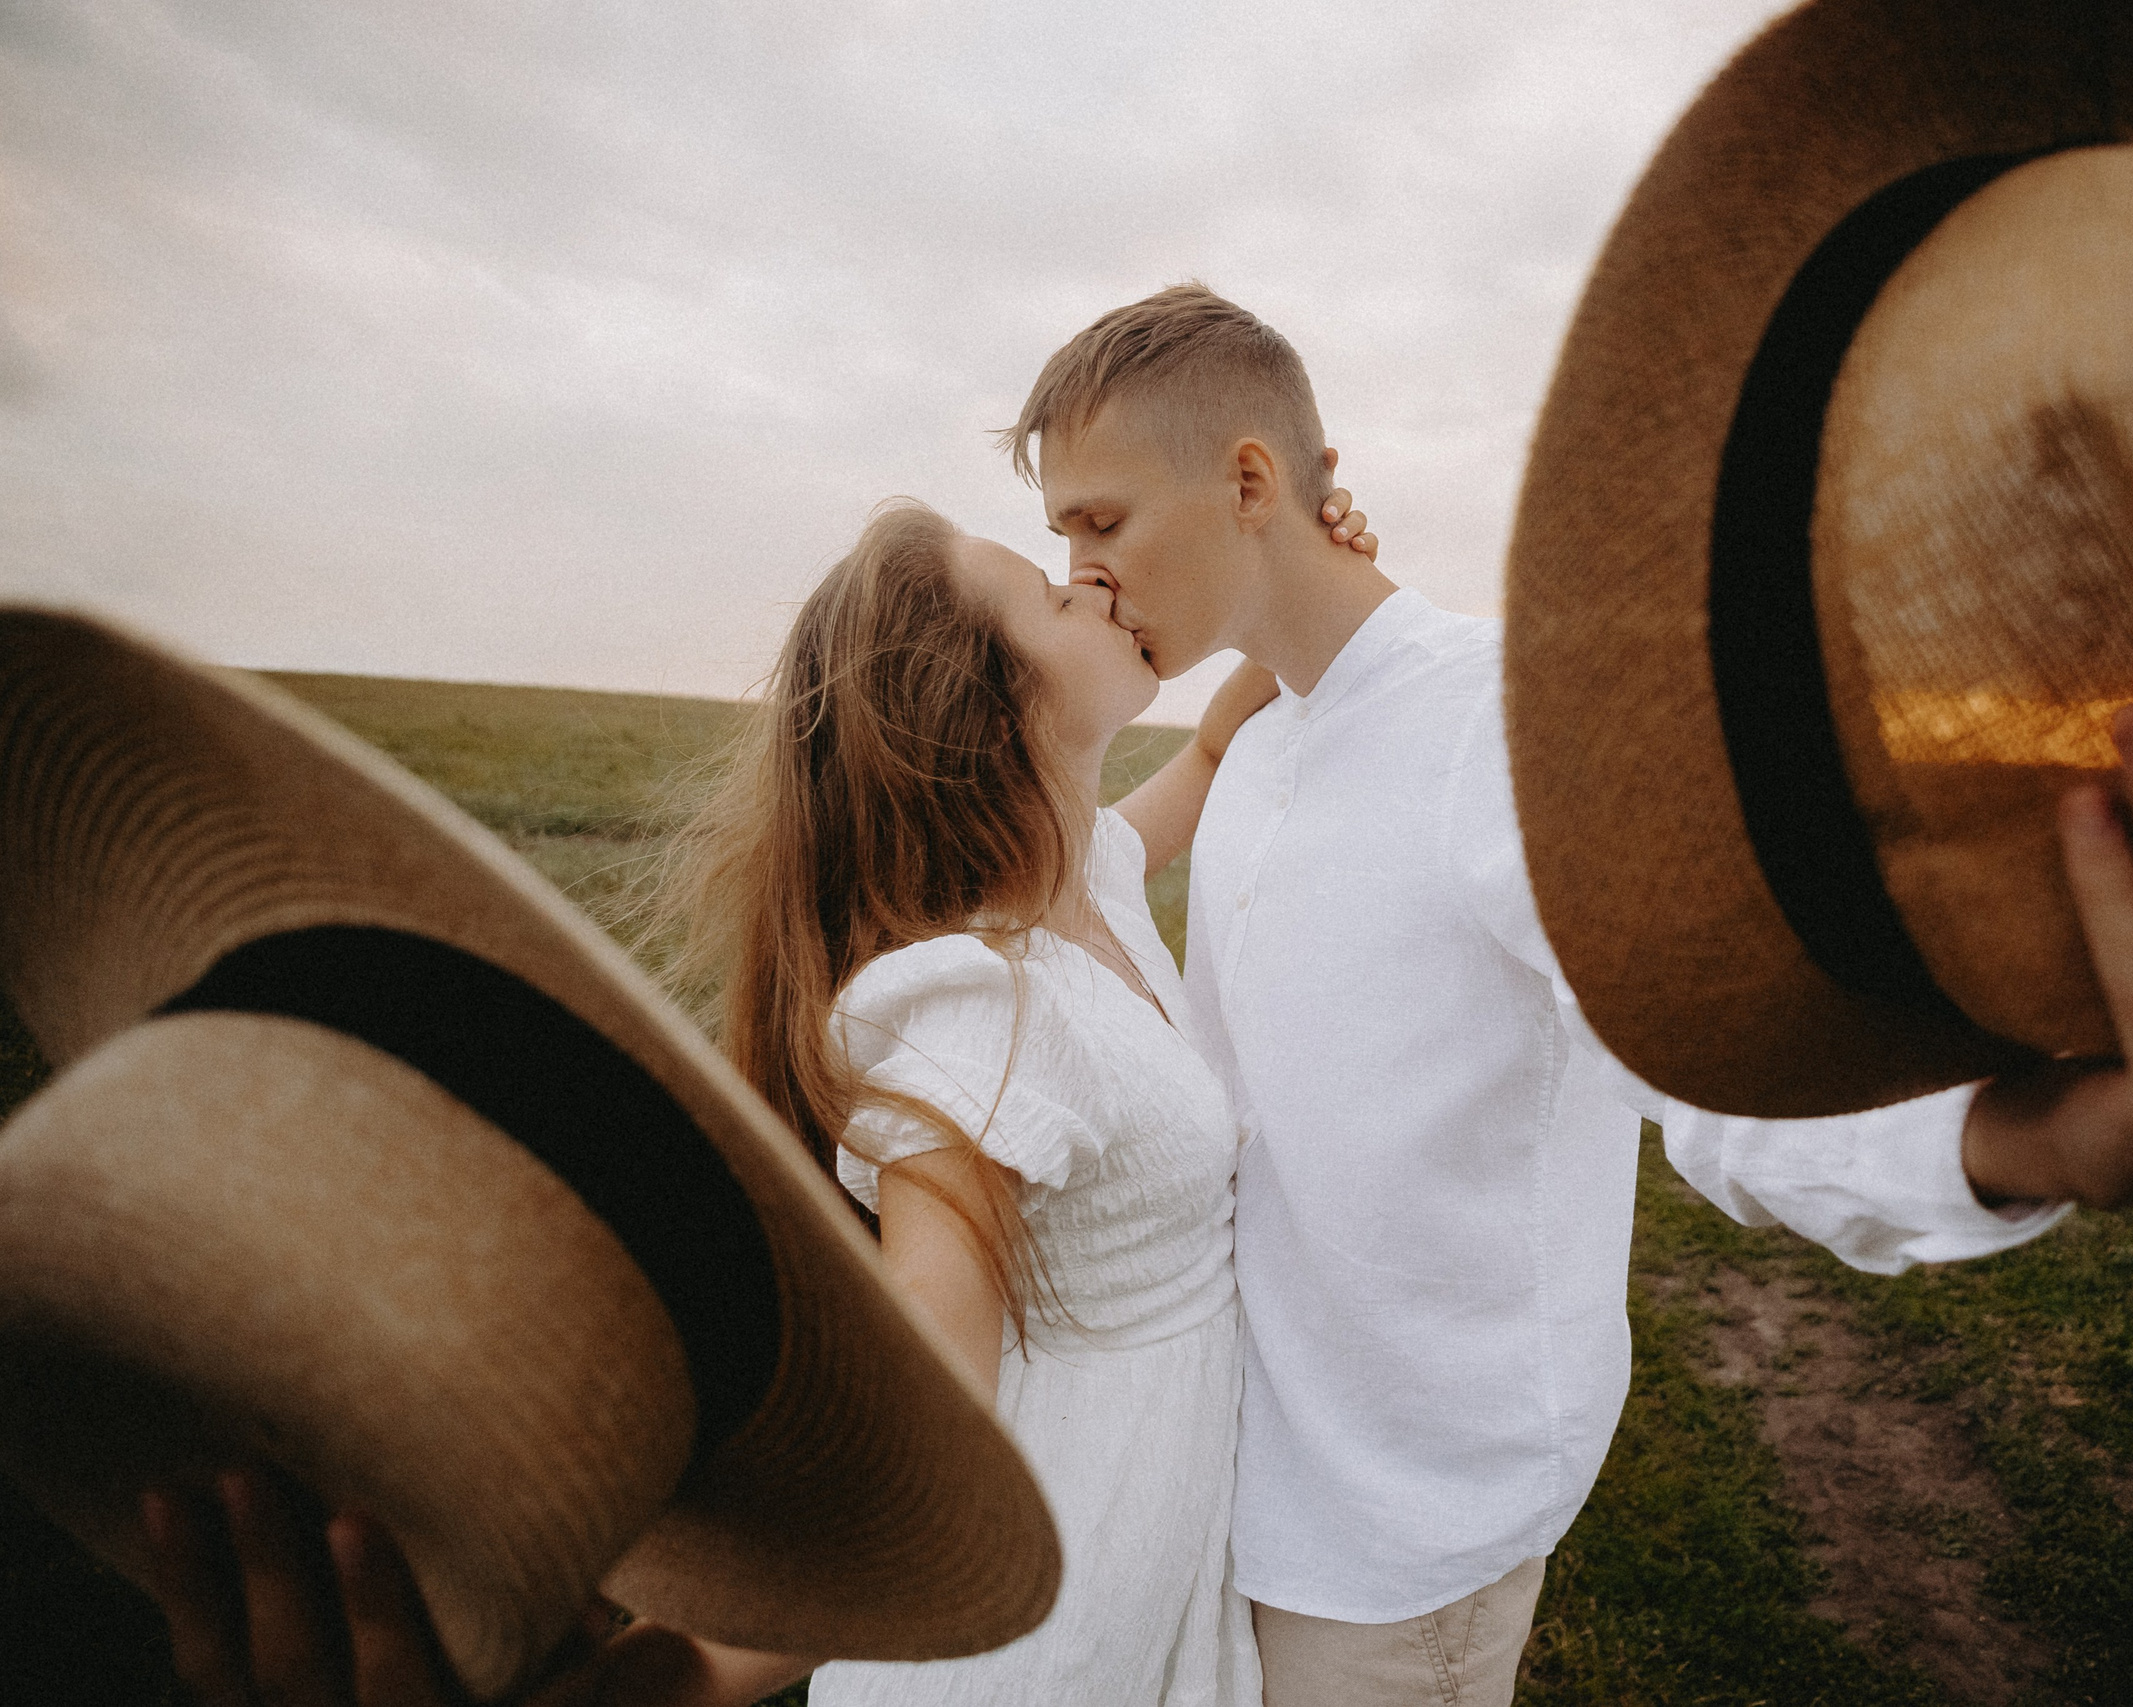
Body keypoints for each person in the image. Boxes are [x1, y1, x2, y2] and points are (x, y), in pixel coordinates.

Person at [1003, 284, 2133, 1707]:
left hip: (1407, 1528)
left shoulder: (1511, 732)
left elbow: (1726, 1073)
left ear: (1251, 477)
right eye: (1063, 533)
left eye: (1102, 519)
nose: (1082, 569)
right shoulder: (1256, 746)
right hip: (1239, 1482)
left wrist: (2039, 1139)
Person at [130, 487, 1375, 1707]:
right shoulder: (979, 1017)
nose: (1092, 577)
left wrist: (1287, 578)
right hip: (1046, 1649)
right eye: (1052, 594)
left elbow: (1209, 756)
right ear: (986, 715)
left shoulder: (1085, 882)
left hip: (1153, 1586)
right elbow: (911, 1456)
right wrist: (656, 1682)